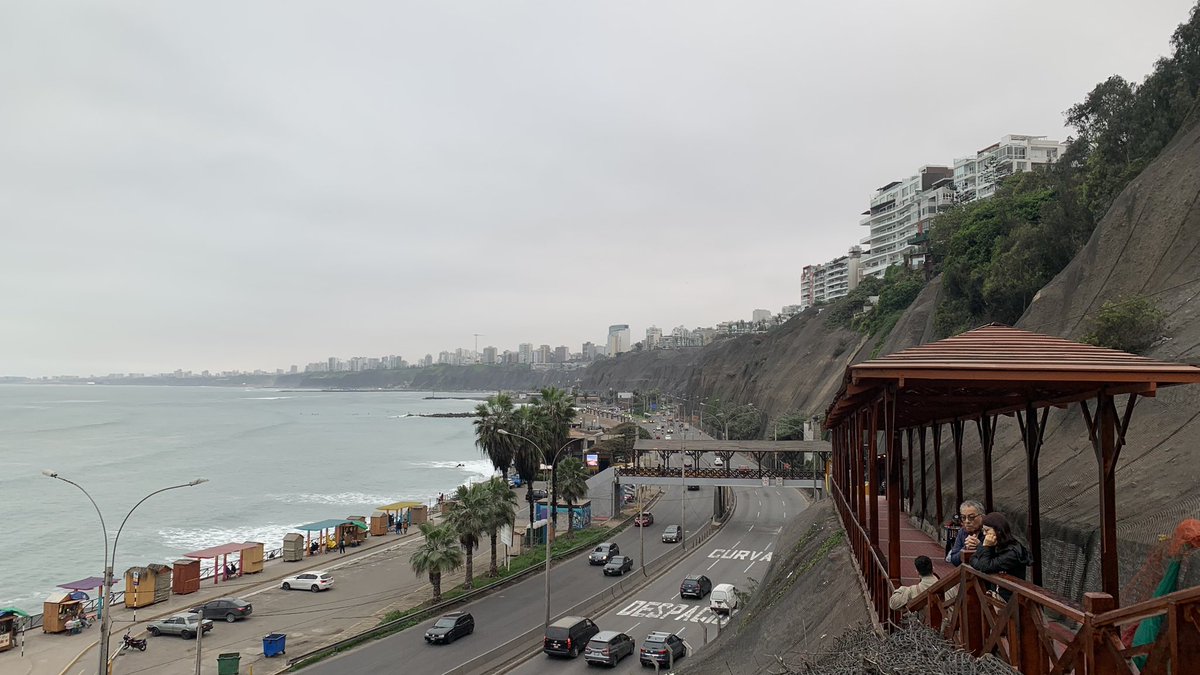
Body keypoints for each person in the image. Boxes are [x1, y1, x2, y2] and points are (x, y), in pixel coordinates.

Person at [970, 512, 1033, 601]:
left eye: (987, 530)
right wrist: (986, 548)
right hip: (994, 594)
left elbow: (985, 566)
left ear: (998, 531)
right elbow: (973, 559)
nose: (984, 534)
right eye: (983, 531)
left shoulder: (1012, 552)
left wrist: (986, 547)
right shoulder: (993, 545)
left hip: (1010, 600)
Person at [947, 500, 985, 566]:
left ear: (982, 517)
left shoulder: (989, 532)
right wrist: (966, 548)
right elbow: (954, 559)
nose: (967, 521)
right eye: (963, 517)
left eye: (971, 517)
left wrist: (979, 546)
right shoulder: (962, 532)